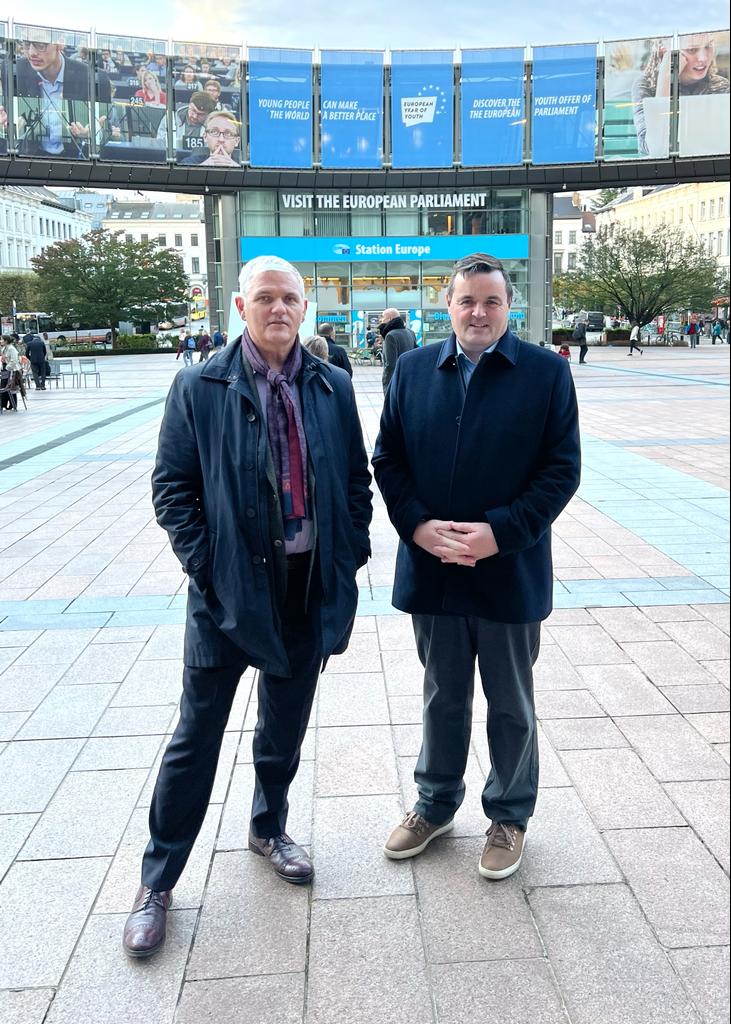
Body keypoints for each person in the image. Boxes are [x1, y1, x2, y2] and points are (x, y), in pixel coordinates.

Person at [122, 255, 372, 958]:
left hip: (306, 587)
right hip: (226, 593)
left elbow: (355, 479)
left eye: (290, 298)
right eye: (265, 297)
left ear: (304, 306)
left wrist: (348, 552)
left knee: (283, 727)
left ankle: (269, 828)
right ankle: (158, 880)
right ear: (240, 306)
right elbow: (172, 487)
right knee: (195, 738)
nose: (279, 309)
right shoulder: (198, 385)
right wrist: (206, 566)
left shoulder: (331, 385)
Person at [372, 252, 580, 880]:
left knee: (511, 701)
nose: (478, 312)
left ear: (508, 308)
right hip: (434, 568)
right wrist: (417, 526)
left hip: (507, 569)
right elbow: (389, 460)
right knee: (442, 695)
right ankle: (434, 804)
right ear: (449, 306)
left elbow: (561, 471)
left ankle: (509, 815)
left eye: (491, 301)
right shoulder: (411, 370)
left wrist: (501, 533)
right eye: (467, 301)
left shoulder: (545, 373)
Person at [633, 34, 729, 155]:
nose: (703, 58)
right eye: (692, 50)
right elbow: (652, 148)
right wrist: (666, 78)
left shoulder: (720, 85)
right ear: (665, 53)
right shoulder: (646, 85)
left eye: (708, 46)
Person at [13, 38, 111, 157]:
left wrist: (94, 134)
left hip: (77, 161)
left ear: (60, 43)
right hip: (29, 160)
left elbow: (109, 132)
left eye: (41, 44)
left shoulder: (94, 78)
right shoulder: (15, 71)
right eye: (27, 44)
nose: (31, 52)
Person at [379, 308, 417, 393]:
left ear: (390, 318)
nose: (381, 320)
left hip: (396, 380)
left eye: (383, 317)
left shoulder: (390, 335)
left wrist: (386, 384)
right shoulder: (410, 332)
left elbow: (391, 364)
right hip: (409, 377)